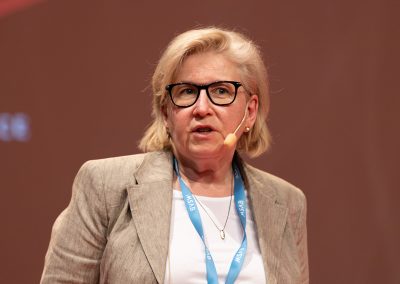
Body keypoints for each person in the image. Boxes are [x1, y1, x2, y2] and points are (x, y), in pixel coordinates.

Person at [41, 27, 309, 284]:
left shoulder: (286, 202)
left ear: (250, 111)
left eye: (221, 91)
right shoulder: (104, 185)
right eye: (187, 92)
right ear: (166, 112)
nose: (202, 108)